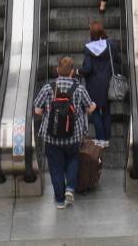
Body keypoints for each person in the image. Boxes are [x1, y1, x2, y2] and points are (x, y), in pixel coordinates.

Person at [33, 55, 95, 209]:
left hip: (52, 138)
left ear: (57, 70)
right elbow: (89, 108)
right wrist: (93, 104)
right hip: (73, 137)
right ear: (72, 72)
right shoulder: (79, 89)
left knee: (55, 167)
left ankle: (59, 201)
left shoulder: (48, 88)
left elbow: (38, 111)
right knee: (73, 160)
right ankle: (70, 189)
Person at [77, 21, 122, 148]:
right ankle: (107, 139)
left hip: (94, 85)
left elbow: (88, 68)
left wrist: (77, 71)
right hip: (109, 83)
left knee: (95, 111)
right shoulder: (110, 45)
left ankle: (100, 138)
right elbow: (119, 60)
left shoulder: (88, 47)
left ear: (91, 32)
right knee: (107, 111)